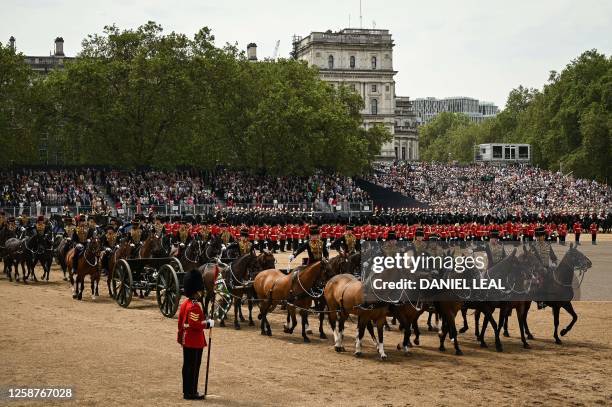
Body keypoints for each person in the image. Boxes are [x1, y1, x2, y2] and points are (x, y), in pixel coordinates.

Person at [177, 269, 214, 400]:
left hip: (187, 340)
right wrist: (208, 323)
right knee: (193, 367)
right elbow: (195, 324)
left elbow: (181, 323)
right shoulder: (194, 306)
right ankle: (191, 392)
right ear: (196, 290)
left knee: (187, 366)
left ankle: (187, 391)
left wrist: (180, 337)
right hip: (194, 341)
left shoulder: (185, 304)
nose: (201, 292)